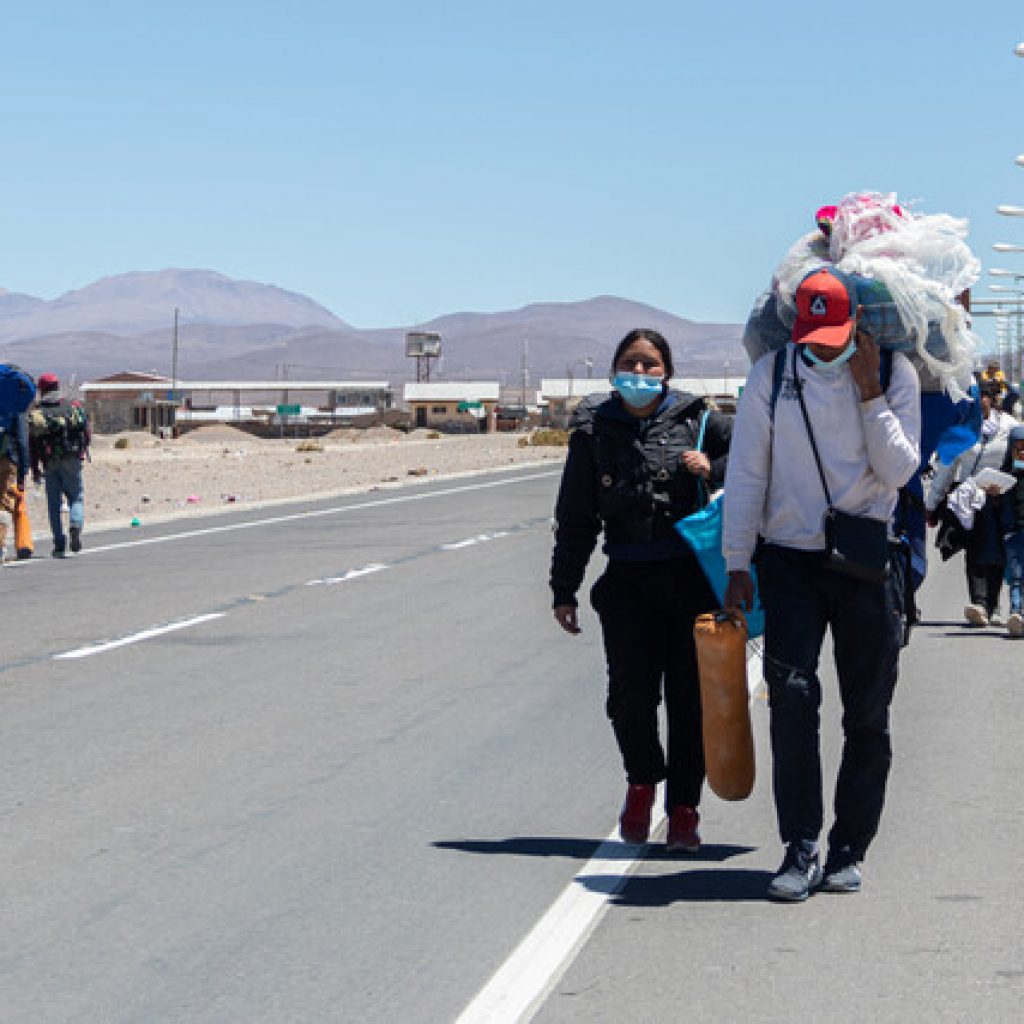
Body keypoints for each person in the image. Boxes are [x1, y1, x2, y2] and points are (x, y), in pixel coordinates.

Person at [723, 268, 920, 902]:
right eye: (813, 333)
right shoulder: (772, 375)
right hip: (791, 565)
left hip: (866, 566)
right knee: (792, 703)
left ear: (858, 324)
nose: (823, 345)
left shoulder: (894, 374)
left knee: (867, 715)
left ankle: (848, 849)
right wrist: (735, 563)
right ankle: (800, 845)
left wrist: (868, 394)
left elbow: (897, 472)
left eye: (835, 333)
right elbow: (748, 471)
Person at [550, 328, 732, 852]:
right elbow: (576, 516)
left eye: (651, 364)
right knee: (629, 699)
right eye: (630, 362)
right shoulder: (593, 429)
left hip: (692, 584)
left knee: (689, 702)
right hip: (627, 584)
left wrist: (711, 467)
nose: (641, 372)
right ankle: (641, 783)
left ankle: (683, 810)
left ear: (667, 371)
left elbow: (756, 462)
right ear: (613, 369)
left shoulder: (700, 420)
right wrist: (565, 588)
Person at [925, 381, 1017, 626]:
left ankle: (994, 605)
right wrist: (932, 503)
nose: (979, 403)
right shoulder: (961, 429)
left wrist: (1009, 485)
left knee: (998, 552)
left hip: (1001, 498)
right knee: (975, 551)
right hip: (970, 501)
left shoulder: (1010, 426)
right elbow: (946, 468)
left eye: (983, 397)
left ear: (992, 399)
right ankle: (979, 603)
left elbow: (1019, 458)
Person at [28, 373, 91, 558]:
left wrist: (35, 470)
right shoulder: (72, 406)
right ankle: (75, 524)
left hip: (50, 462)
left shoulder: (38, 412)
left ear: (41, 389)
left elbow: (33, 446)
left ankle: (59, 544)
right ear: (57, 386)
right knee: (76, 497)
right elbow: (86, 433)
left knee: (54, 506)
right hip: (72, 458)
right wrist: (81, 452)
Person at [998, 425, 1024, 637]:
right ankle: (1016, 613)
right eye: (1017, 449)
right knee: (1015, 577)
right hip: (1013, 533)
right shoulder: (1005, 475)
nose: (1021, 453)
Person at [0, 407, 30, 566]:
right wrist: (23, 470)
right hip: (8, 459)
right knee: (4, 503)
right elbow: (22, 441)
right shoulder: (14, 407)